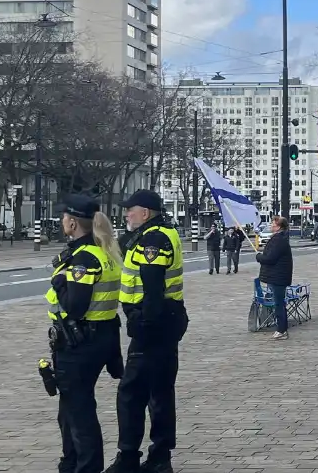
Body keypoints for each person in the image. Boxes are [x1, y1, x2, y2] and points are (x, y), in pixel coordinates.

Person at [106, 190, 188, 473]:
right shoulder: (161, 233)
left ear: (146, 212)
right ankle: (160, 456)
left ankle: (129, 456)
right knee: (160, 391)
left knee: (131, 392)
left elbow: (152, 288)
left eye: (131, 209)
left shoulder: (153, 240)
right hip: (167, 320)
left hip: (153, 324)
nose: (127, 213)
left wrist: (143, 322)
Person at [47, 194, 124, 473]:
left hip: (79, 342)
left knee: (79, 413)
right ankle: (70, 464)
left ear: (72, 222)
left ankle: (86, 467)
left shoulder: (83, 258)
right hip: (101, 336)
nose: (61, 222)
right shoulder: (104, 251)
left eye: (63, 218)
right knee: (70, 410)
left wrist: (59, 283)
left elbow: (75, 307)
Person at [256, 215, 294, 341]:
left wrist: (259, 257)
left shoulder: (279, 240)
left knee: (278, 303)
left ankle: (282, 330)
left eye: (273, 223)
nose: (271, 225)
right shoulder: (280, 238)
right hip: (278, 276)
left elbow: (270, 258)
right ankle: (281, 328)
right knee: (278, 303)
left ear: (278, 226)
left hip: (278, 277)